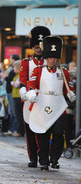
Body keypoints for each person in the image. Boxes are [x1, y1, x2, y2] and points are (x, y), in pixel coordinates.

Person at [26, 35, 76, 170]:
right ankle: (43, 160)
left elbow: (68, 87)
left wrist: (71, 93)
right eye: (51, 57)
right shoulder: (38, 70)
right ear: (47, 57)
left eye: (55, 57)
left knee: (59, 133)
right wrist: (31, 92)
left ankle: (54, 158)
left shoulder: (63, 72)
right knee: (42, 134)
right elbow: (31, 83)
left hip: (58, 105)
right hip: (42, 104)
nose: (53, 60)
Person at [19, 26, 51, 167]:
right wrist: (24, 91)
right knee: (30, 129)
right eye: (36, 46)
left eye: (41, 45)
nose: (38, 48)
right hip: (31, 99)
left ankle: (44, 156)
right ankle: (33, 157)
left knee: (45, 130)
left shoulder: (50, 61)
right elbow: (23, 79)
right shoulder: (27, 62)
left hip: (46, 99)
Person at [0, 54, 20, 134]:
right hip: (11, 93)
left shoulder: (15, 73)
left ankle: (13, 129)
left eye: (11, 59)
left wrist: (6, 77)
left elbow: (14, 82)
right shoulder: (11, 69)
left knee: (14, 112)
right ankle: (11, 129)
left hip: (14, 94)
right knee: (11, 111)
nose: (9, 60)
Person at [11, 60, 24, 137]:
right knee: (18, 114)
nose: (14, 69)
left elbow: (16, 85)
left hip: (19, 96)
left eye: (15, 67)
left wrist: (12, 83)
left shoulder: (20, 75)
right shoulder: (16, 75)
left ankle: (20, 131)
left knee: (19, 114)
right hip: (15, 96)